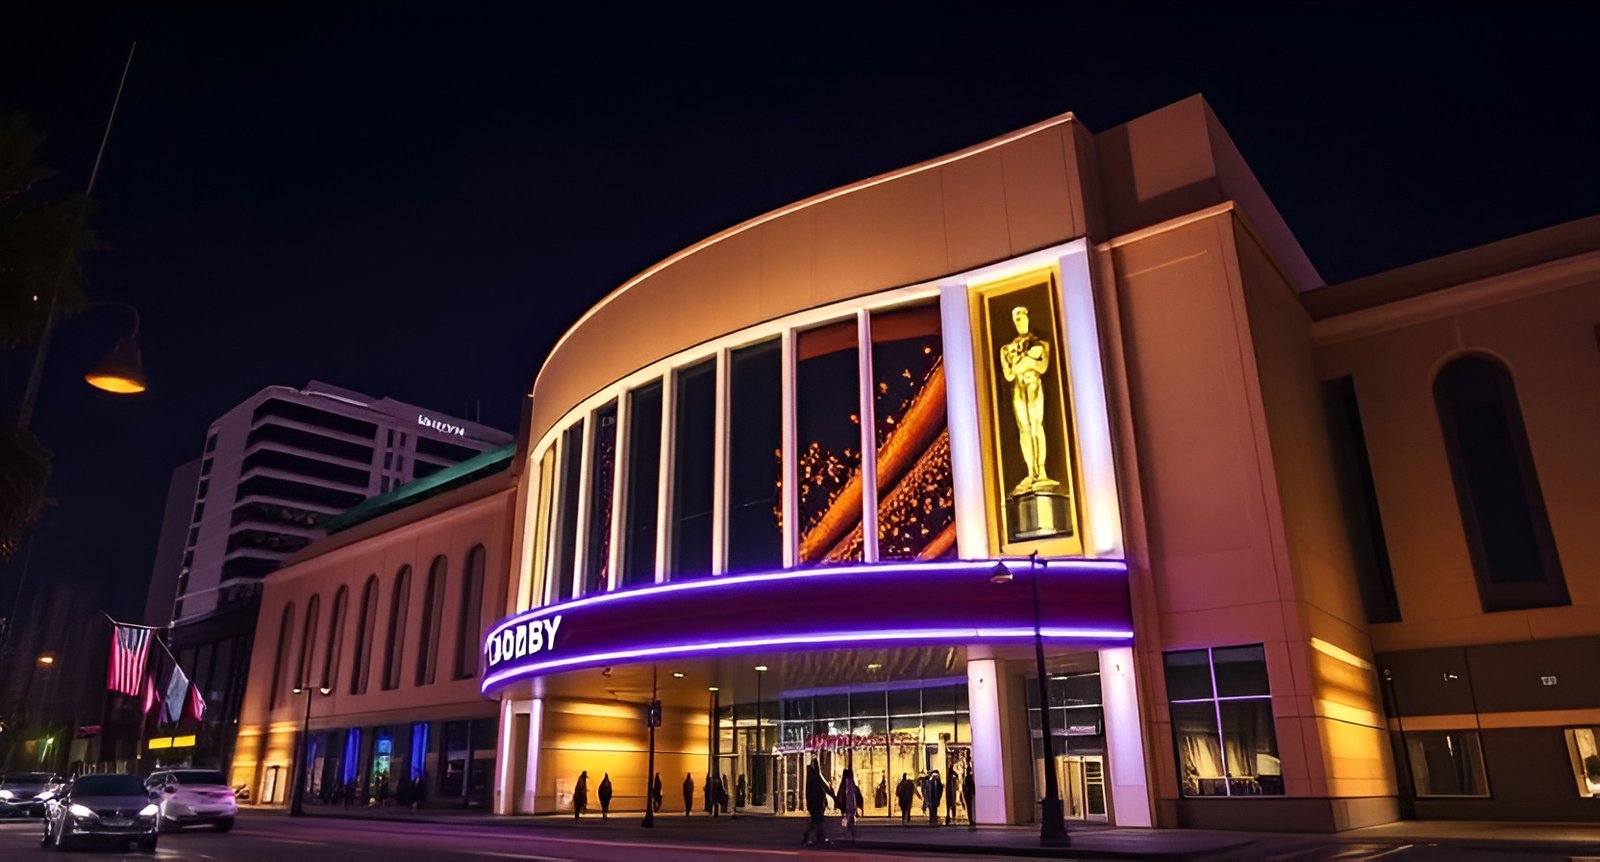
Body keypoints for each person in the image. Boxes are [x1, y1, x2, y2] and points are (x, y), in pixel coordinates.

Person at [800, 762, 835, 846]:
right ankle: (816, 837)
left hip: (814, 805)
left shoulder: (811, 781)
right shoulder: (815, 780)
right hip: (816, 805)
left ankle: (816, 837)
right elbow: (818, 793)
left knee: (816, 822)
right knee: (817, 822)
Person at [838, 767, 861, 841]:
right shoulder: (851, 783)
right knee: (851, 820)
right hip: (852, 805)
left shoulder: (845, 783)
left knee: (847, 820)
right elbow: (855, 793)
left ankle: (847, 834)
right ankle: (851, 835)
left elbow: (843, 794)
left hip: (848, 805)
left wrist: (841, 804)